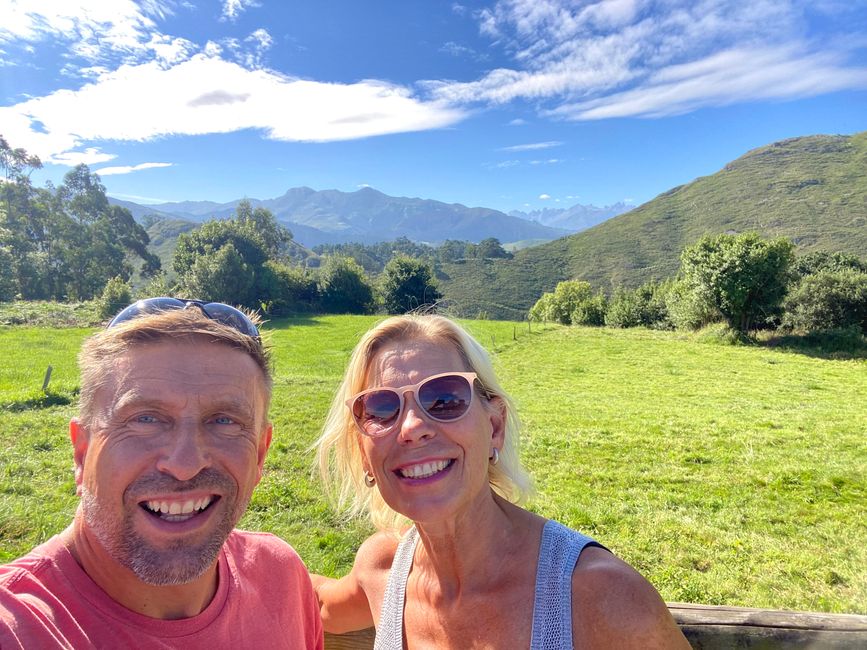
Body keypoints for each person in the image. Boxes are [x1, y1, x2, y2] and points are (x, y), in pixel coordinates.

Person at [312, 314, 689, 649]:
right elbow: (321, 602)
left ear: (495, 426)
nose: (411, 428)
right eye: (380, 408)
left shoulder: (601, 596)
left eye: (444, 398)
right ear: (364, 453)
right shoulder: (384, 567)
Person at [0, 298, 323, 649]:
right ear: (82, 452)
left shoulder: (280, 577)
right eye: (146, 419)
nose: (185, 464)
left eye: (224, 421)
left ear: (260, 453)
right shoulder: (18, 627)